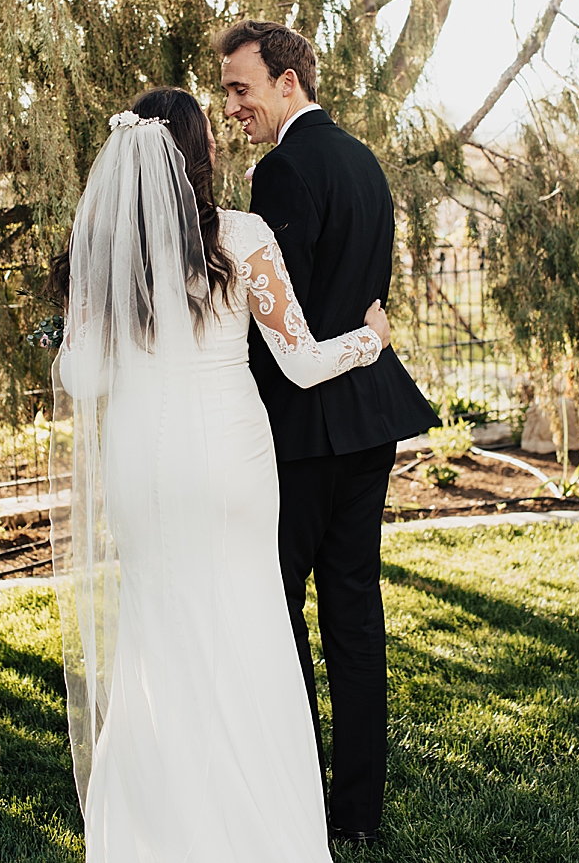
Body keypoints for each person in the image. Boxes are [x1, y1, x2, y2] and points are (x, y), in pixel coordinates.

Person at [52, 87, 391, 862]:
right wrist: (369, 339)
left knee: (156, 640)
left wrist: (80, 309)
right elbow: (302, 364)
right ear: (198, 153)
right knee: (245, 627)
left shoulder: (106, 244)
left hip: (142, 464)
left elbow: (82, 379)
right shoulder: (241, 235)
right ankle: (258, 829)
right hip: (231, 459)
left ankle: (158, 832)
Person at [218, 21, 438, 845]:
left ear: (288, 83)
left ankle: (295, 797)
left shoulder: (281, 171)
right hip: (369, 417)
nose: (232, 105)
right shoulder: (365, 160)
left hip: (301, 428)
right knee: (354, 607)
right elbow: (360, 295)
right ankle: (357, 815)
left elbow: (287, 328)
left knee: (277, 614)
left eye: (242, 87)